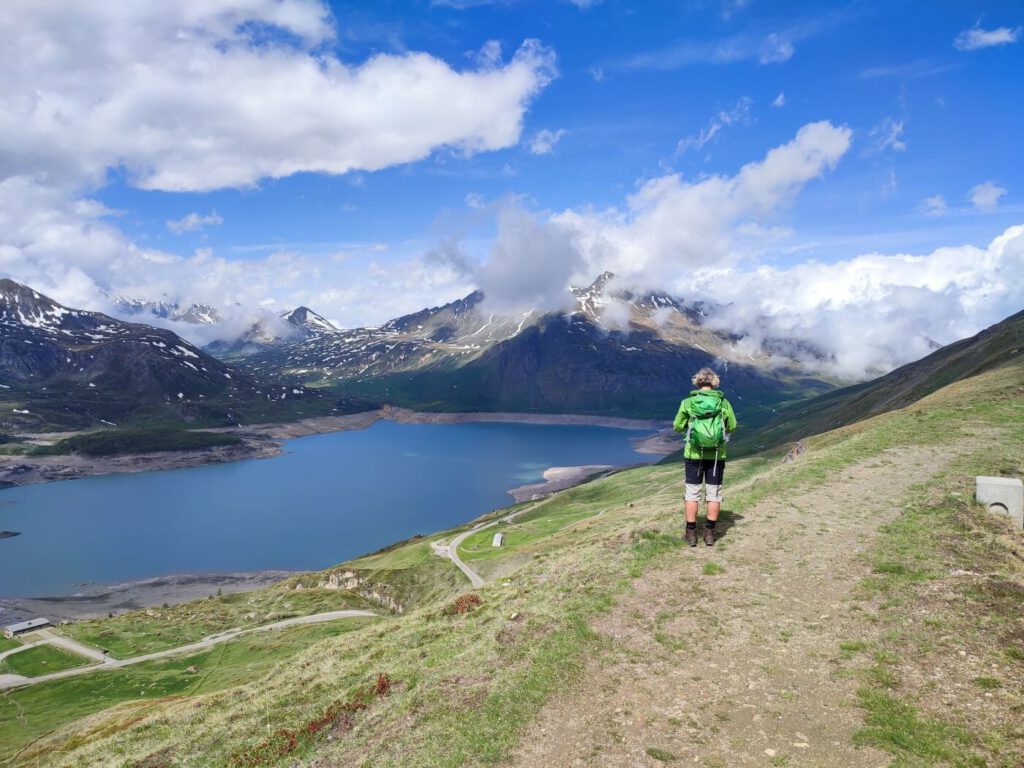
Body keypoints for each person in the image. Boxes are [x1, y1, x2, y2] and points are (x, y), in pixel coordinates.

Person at [672, 367, 737, 547]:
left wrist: (691, 429)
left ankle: (691, 534)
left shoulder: (688, 402)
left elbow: (677, 426)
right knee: (713, 494)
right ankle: (709, 534)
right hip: (717, 455)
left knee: (692, 493)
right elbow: (732, 426)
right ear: (714, 382)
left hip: (693, 454)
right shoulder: (723, 403)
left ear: (698, 382)